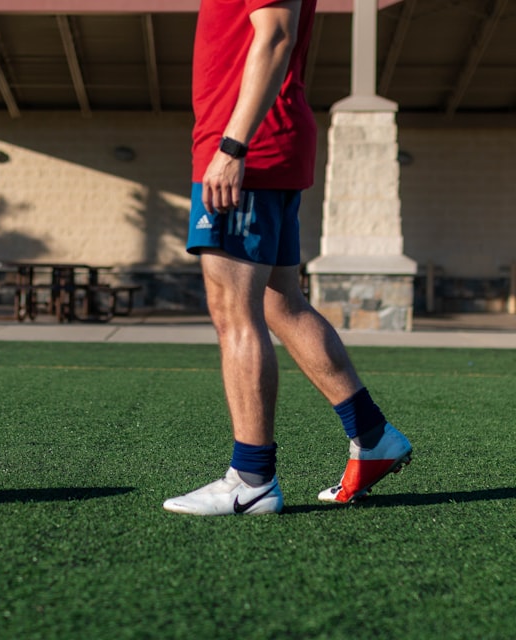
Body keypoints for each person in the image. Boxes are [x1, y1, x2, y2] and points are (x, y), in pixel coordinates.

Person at [163, 0, 412, 516]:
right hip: (263, 143)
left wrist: (232, 147)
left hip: (248, 147)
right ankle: (372, 435)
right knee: (282, 304)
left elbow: (275, 35)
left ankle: (251, 478)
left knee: (235, 312)